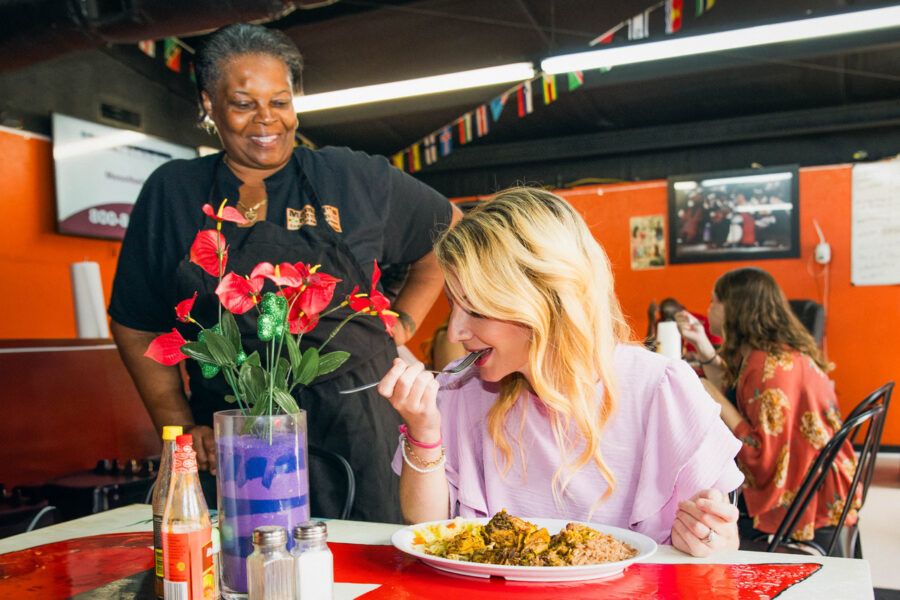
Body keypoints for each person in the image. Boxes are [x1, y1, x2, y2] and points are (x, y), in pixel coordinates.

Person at [108, 23, 462, 523]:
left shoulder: (353, 176)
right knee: (248, 568)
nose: (266, 119)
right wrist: (180, 427)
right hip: (235, 430)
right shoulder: (173, 193)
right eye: (243, 102)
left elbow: (450, 234)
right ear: (208, 103)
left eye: (279, 101)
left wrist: (403, 320)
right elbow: (137, 320)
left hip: (358, 423)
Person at [376, 187, 743, 557]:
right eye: (453, 305)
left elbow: (720, 542)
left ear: (545, 300)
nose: (455, 332)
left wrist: (712, 537)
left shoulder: (661, 389)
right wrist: (423, 430)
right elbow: (424, 528)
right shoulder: (459, 388)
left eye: (477, 309)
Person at [675, 267, 860, 549]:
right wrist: (704, 347)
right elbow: (739, 389)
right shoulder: (771, 352)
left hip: (804, 493)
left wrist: (711, 394)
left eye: (714, 301)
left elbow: (760, 456)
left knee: (698, 494)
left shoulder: (769, 369)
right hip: (818, 475)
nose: (708, 308)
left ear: (734, 309)